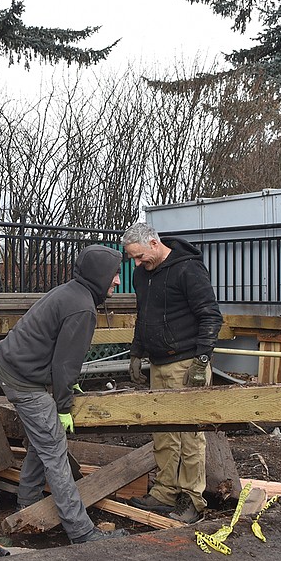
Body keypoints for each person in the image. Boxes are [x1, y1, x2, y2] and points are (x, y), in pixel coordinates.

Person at [0, 244, 129, 544]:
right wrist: (63, 404)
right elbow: (65, 363)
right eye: (115, 275)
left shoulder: (72, 292)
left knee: (43, 441)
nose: (118, 281)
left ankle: (26, 508)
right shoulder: (82, 307)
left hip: (15, 368)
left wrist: (65, 385)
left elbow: (60, 356)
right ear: (99, 275)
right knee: (55, 450)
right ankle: (81, 532)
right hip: (23, 379)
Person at [121, 222, 222, 524]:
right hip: (158, 363)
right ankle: (165, 492)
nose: (137, 264)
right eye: (133, 259)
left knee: (190, 434)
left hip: (187, 362)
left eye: (139, 256)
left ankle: (192, 499)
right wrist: (137, 352)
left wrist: (202, 361)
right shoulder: (142, 274)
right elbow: (144, 315)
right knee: (163, 431)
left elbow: (210, 316)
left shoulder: (188, 270)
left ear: (154, 243)